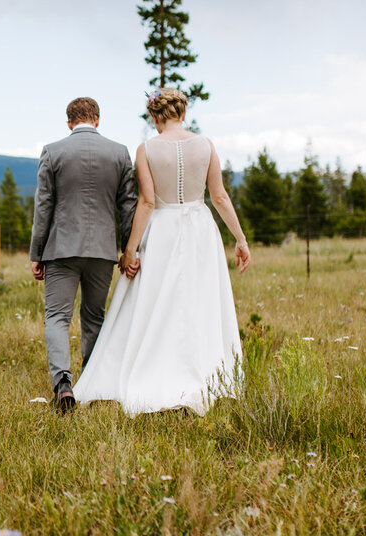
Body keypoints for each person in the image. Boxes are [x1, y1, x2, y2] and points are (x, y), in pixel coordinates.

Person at [72, 88, 251, 416]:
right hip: (200, 229)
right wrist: (240, 239)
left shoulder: (146, 149)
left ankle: (154, 364)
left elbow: (148, 201)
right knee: (199, 299)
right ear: (183, 113)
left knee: (155, 298)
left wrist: (130, 250)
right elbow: (220, 197)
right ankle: (202, 368)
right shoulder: (206, 145)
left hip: (163, 229)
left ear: (155, 117)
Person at [30, 97, 138, 414]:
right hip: (103, 251)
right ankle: (92, 381)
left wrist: (37, 253)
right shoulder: (119, 153)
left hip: (61, 249)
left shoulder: (53, 151)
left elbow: (43, 207)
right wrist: (128, 249)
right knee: (94, 318)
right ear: (98, 120)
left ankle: (63, 385)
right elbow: (128, 205)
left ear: (69, 123)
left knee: (57, 318)